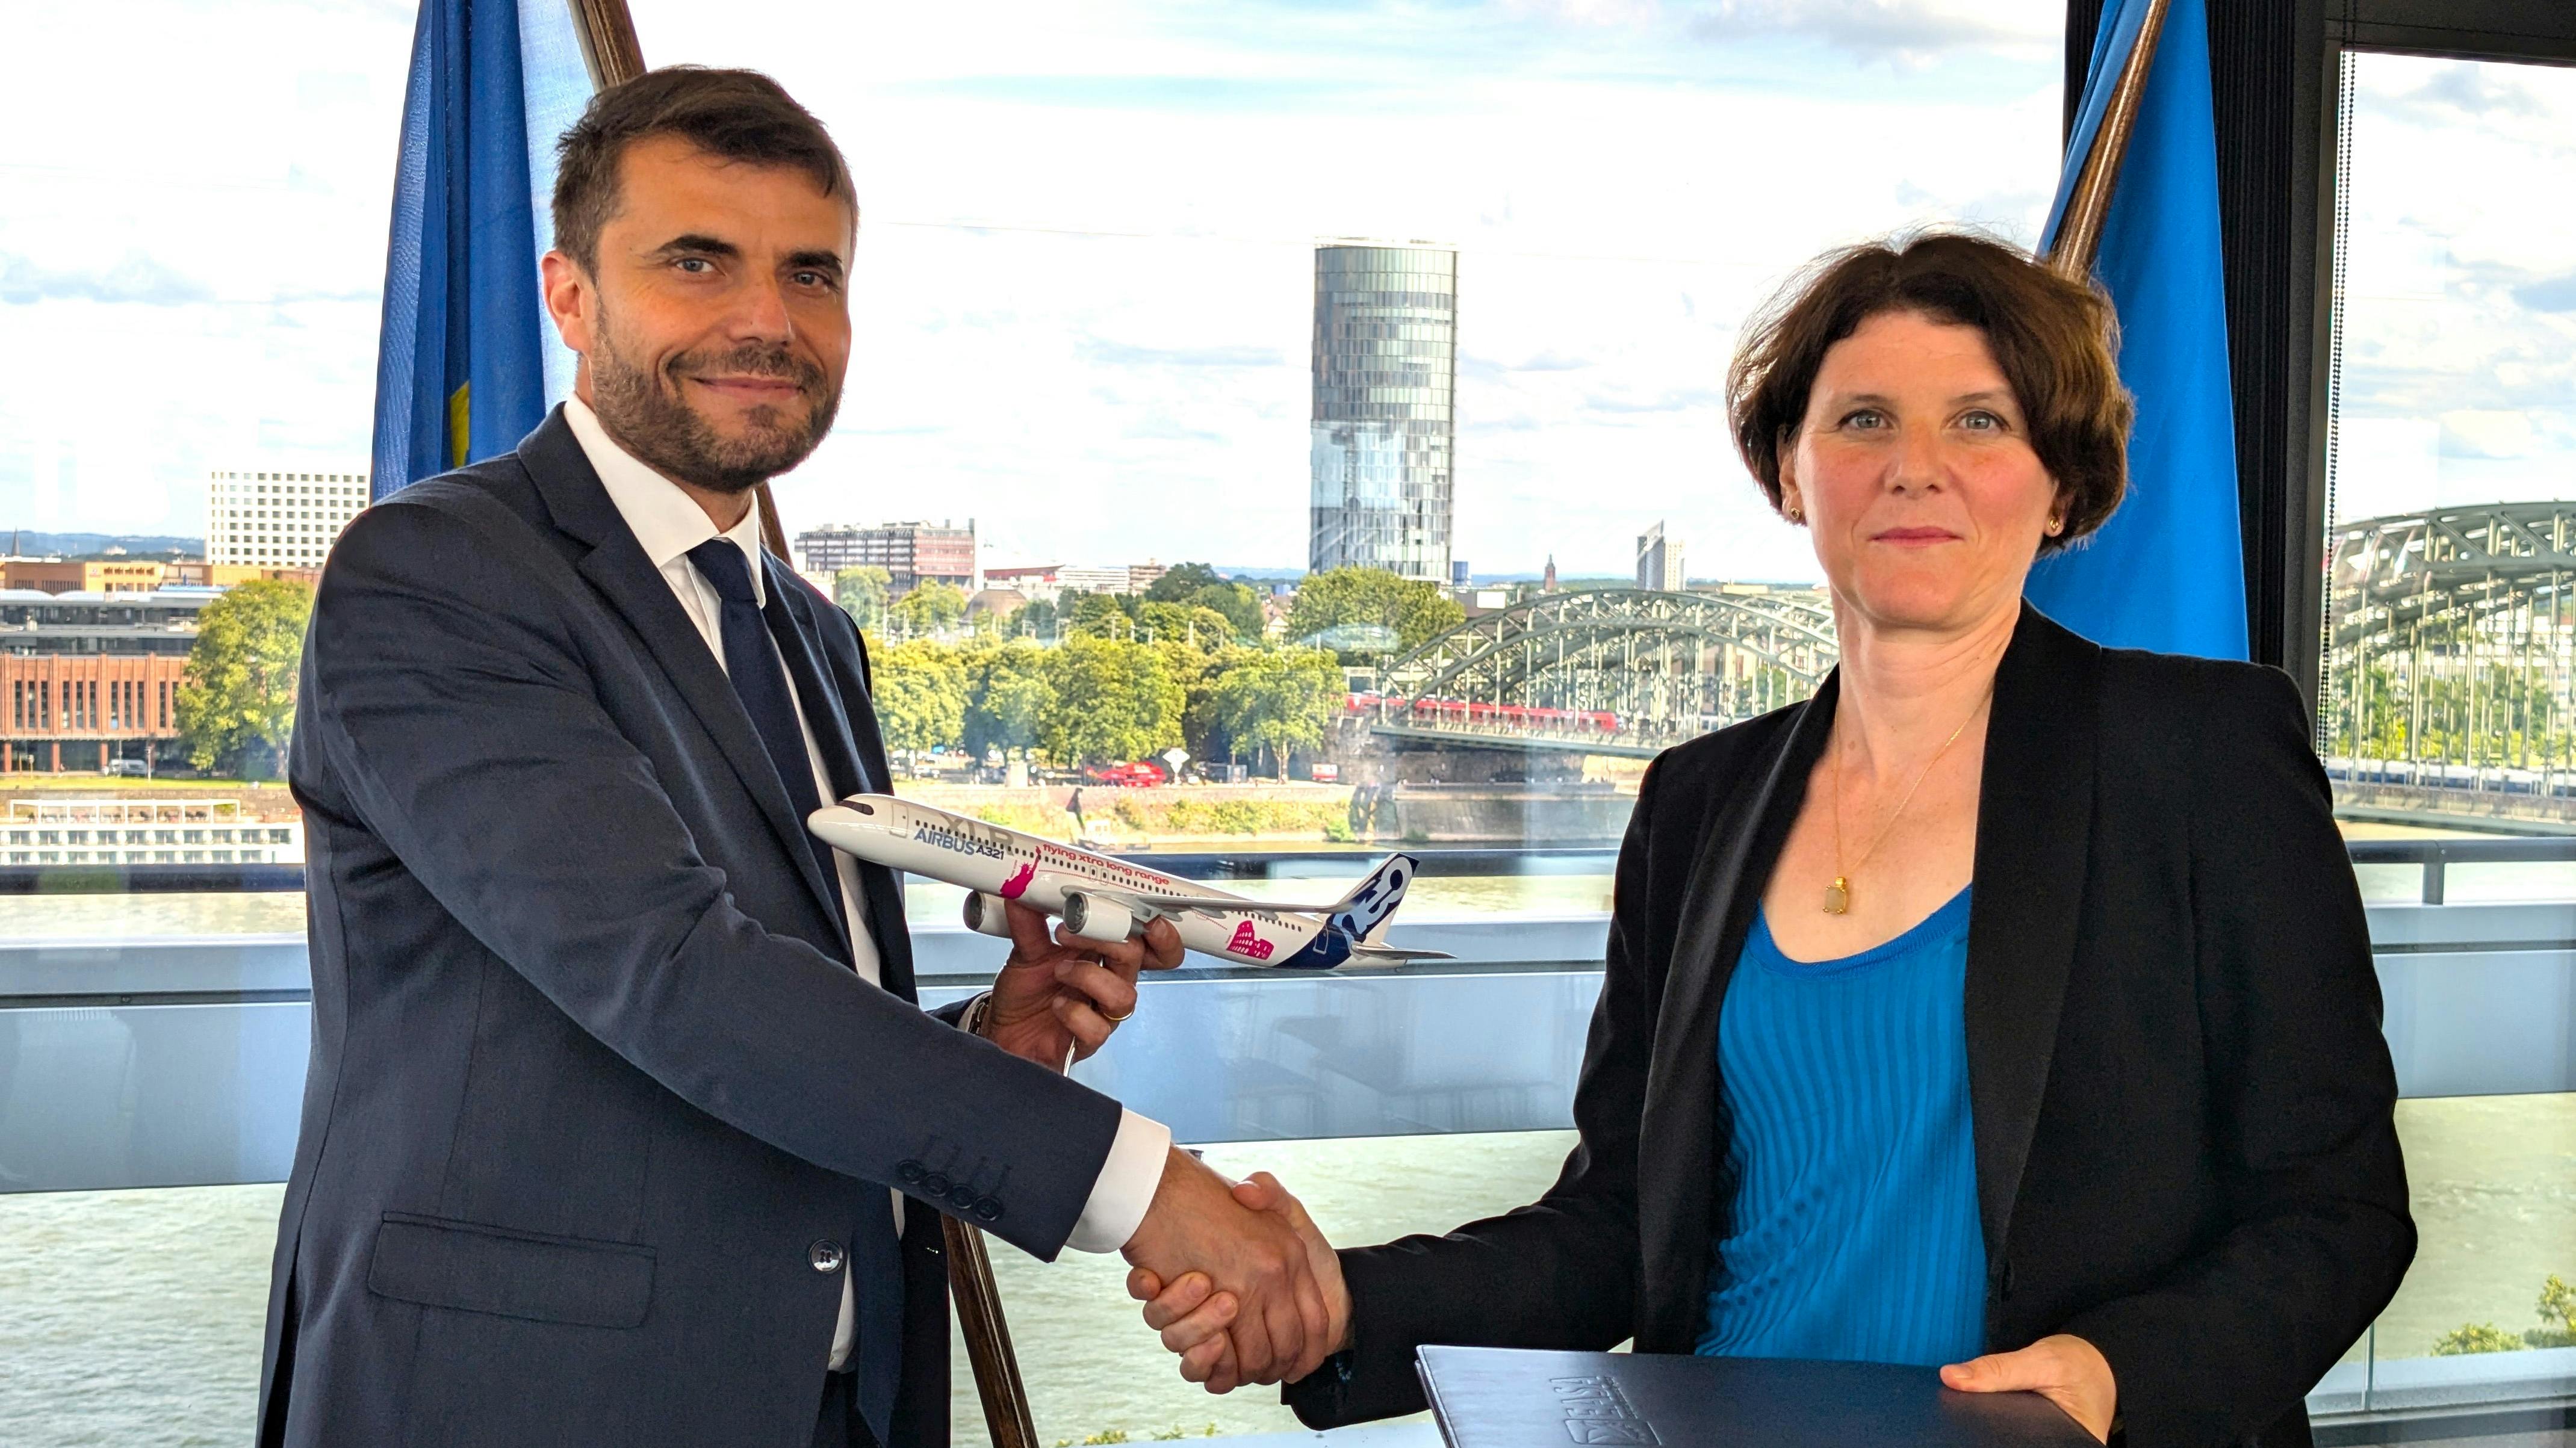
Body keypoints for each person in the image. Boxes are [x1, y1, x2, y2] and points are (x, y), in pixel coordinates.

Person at [1129, 232, 2416, 1447]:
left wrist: (2114, 1377)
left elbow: (2337, 1209)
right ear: (1788, 472)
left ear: (2062, 478)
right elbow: (1625, 1227)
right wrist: (1338, 1302)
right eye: (1862, 420)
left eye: (1979, 420)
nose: (1916, 466)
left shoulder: (2199, 757)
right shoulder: (1698, 803)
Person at [256, 68, 1330, 1448]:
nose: (766, 319)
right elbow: (675, 979)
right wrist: (1153, 1193)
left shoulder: (809, 634)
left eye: (810, 274)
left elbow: (771, 1044)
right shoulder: (437, 576)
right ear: (570, 296)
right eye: (696, 261)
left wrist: (993, 1052)